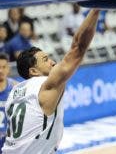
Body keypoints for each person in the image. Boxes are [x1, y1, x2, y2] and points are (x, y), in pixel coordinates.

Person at [2, 9, 100, 154]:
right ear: (33, 71)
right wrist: (96, 7)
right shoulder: (44, 85)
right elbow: (78, 48)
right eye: (45, 60)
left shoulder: (14, 92)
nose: (53, 62)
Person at [0, 53, 18, 154]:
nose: (0, 71)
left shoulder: (16, 89)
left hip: (10, 141)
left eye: (4, 67)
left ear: (8, 69)